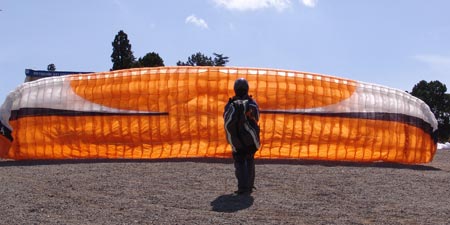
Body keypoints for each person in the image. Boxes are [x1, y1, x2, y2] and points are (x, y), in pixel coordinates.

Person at [224, 78, 260, 195]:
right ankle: (249, 186)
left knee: (239, 162)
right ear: (247, 88)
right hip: (251, 139)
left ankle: (242, 187)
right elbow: (257, 118)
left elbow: (225, 118)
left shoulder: (230, 104)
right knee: (250, 160)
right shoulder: (252, 103)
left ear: (235, 89)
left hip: (237, 140)